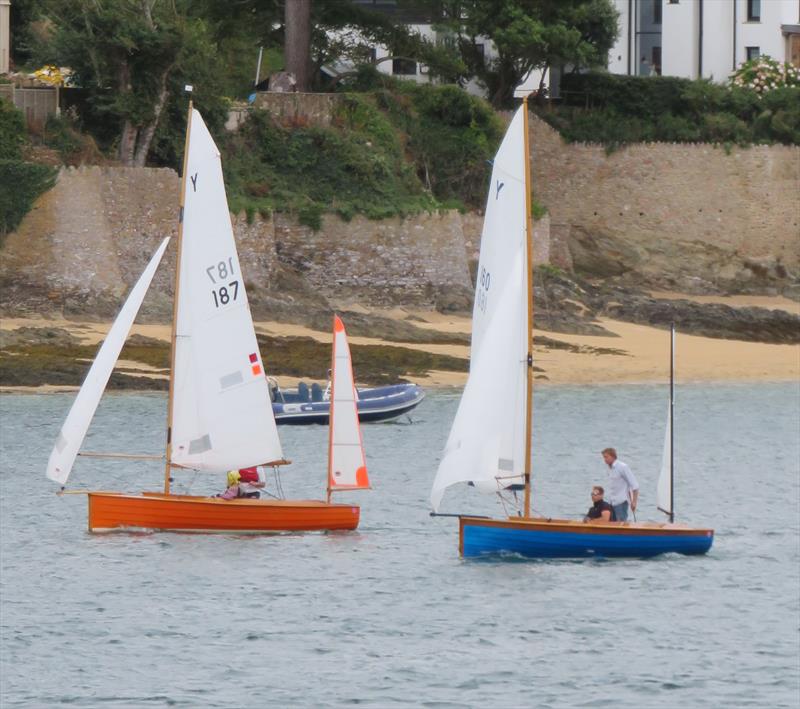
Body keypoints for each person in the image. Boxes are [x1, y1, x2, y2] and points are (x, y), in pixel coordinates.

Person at [601, 447, 639, 522]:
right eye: (603, 457)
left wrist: (634, 502)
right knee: (611, 526)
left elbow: (635, 485)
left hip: (621, 502)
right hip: (611, 502)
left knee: (620, 525)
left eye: (606, 457)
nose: (604, 459)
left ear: (613, 456)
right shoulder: (609, 468)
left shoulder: (623, 467)